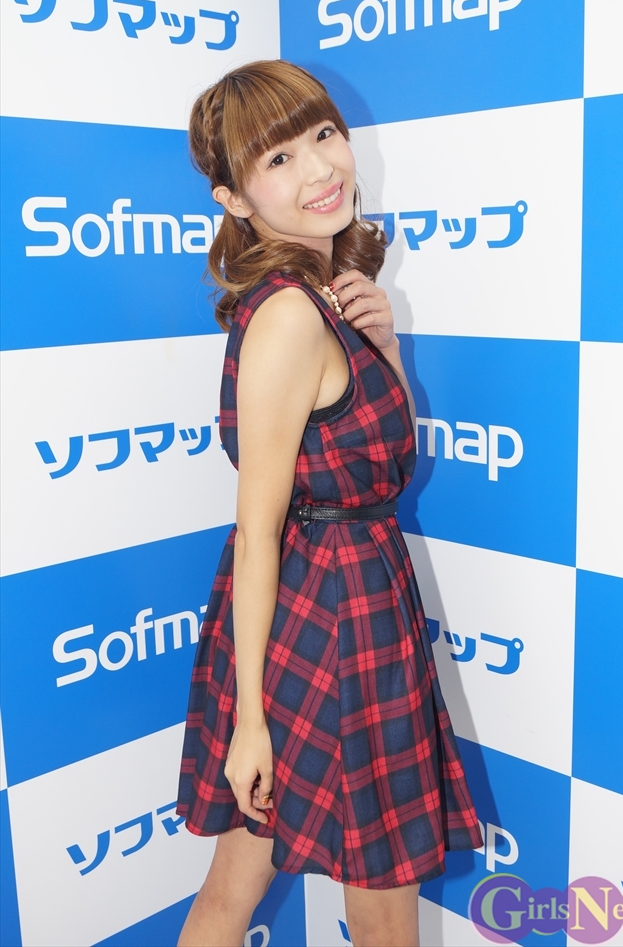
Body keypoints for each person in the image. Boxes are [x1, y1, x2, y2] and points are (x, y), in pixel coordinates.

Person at [176, 60, 482, 947]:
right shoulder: (287, 316)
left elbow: (385, 463)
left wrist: (385, 348)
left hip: (351, 597)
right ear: (234, 200)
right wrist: (251, 722)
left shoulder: (327, 298)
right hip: (325, 618)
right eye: (277, 160)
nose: (319, 169)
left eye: (322, 135)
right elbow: (256, 532)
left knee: (240, 885)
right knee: (376, 906)